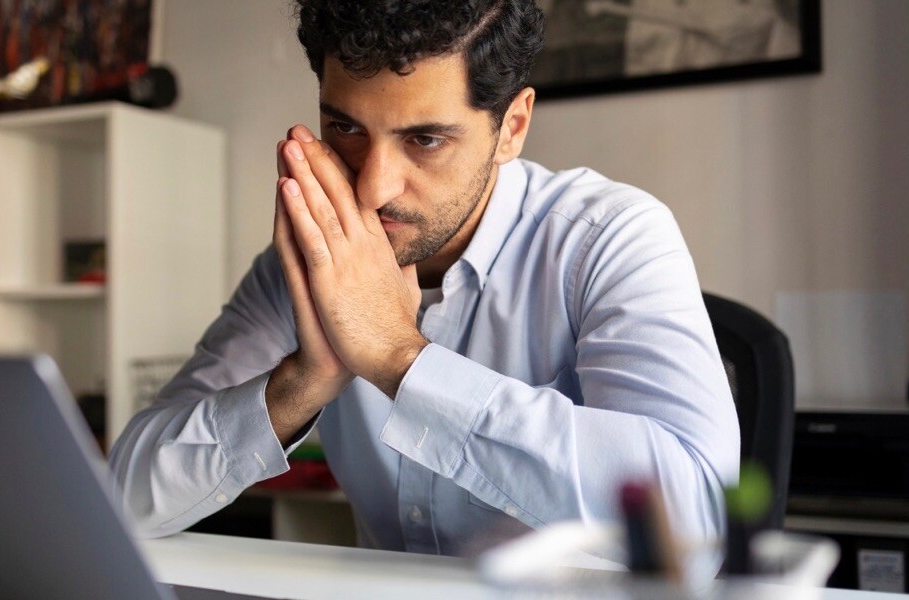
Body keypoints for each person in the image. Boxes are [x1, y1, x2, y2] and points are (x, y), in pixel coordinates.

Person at [110, 0, 739, 561]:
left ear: (511, 128)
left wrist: (397, 358)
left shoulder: (608, 237)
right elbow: (124, 495)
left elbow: (695, 522)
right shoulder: (304, 265)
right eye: (346, 128)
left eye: (426, 139)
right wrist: (302, 382)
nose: (372, 186)